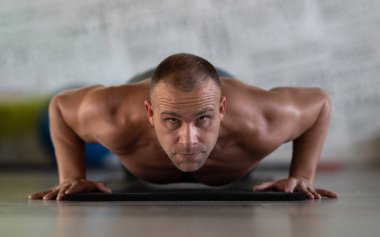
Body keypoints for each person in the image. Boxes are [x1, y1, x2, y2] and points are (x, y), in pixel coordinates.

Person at [29, 53, 338, 200]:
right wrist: (72, 177)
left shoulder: (259, 120)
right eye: (172, 121)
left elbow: (320, 103)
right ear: (150, 113)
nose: (188, 140)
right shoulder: (116, 117)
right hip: (146, 96)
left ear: (221, 110)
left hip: (220, 98)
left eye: (202, 119)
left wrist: (301, 176)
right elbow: (59, 107)